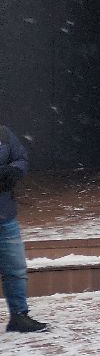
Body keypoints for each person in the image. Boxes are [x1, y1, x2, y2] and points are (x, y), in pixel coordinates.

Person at [0, 122, 47, 333]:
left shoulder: (3, 133)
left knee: (16, 268)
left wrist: (12, 171)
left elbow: (21, 158)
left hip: (5, 215)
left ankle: (19, 316)